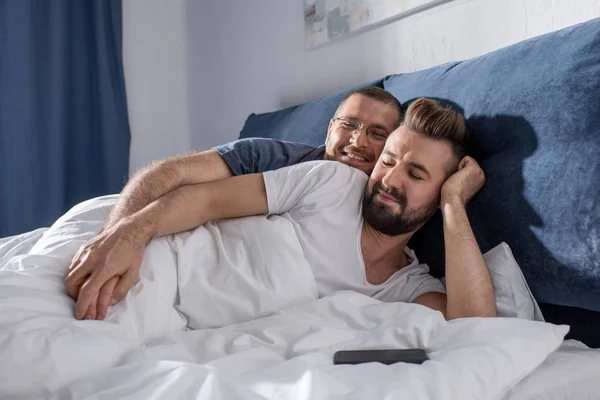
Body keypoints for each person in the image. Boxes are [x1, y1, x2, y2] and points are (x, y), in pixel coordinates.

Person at [65, 98, 496, 323]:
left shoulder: (407, 285)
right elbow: (207, 198)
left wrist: (454, 204)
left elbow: (478, 325)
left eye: (416, 174)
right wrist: (126, 235)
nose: (390, 179)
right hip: (153, 259)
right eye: (388, 160)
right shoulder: (332, 181)